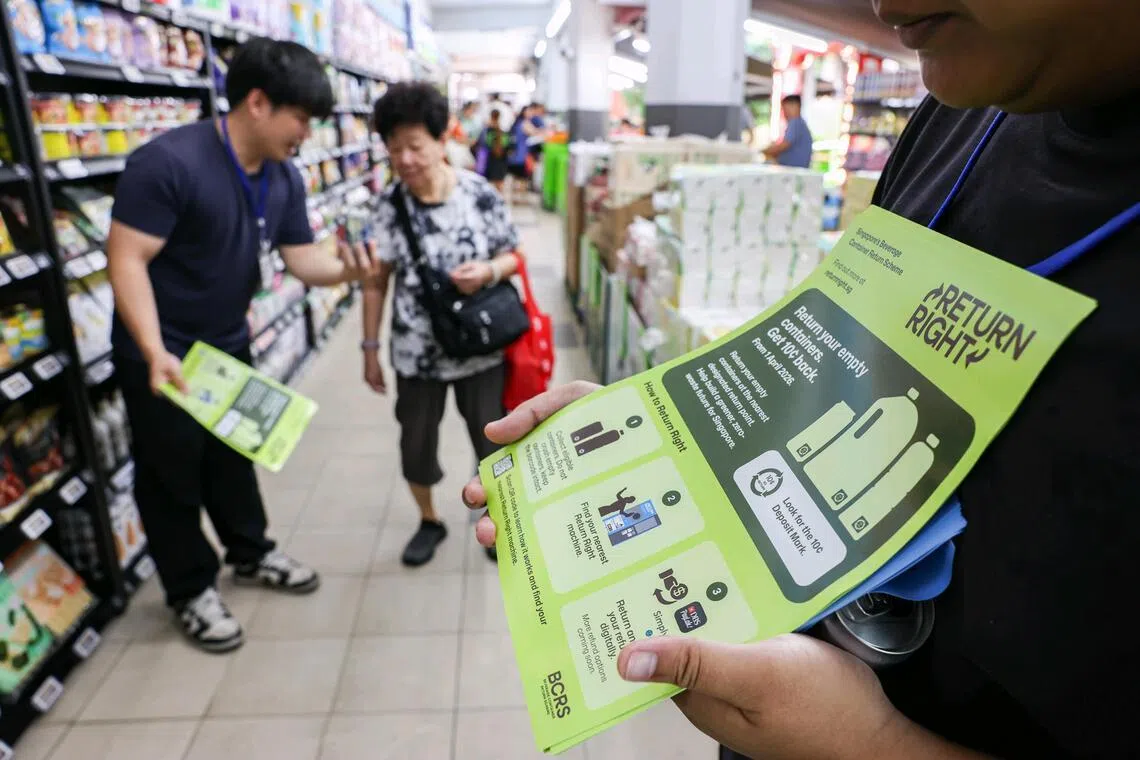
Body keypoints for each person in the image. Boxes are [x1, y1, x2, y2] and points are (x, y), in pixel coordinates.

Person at [463, 0, 1140, 756]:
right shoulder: (963, 109)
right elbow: (846, 384)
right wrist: (657, 439)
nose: (884, 6)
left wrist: (872, 746)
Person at [107, 38, 378, 653]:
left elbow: (302, 259)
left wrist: (351, 270)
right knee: (170, 473)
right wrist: (153, 348)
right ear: (258, 103)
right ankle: (190, 589)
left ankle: (251, 552)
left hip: (226, 344)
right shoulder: (168, 163)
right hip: (164, 351)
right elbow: (126, 259)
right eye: (301, 118)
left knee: (233, 457)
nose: (307, 133)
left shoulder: (282, 175)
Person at [362, 82, 520, 568]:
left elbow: (513, 255)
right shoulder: (389, 206)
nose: (405, 159)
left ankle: (496, 521)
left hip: (479, 348)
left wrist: (488, 271)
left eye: (415, 146)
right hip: (417, 353)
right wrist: (369, 348)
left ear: (441, 139)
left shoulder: (478, 193)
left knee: (492, 441)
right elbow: (375, 283)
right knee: (415, 443)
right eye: (394, 149)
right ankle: (429, 520)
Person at [762, 94, 813, 168]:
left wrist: (763, 151)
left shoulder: (796, 123)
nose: (785, 113)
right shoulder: (800, 123)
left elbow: (783, 146)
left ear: (796, 106)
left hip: (792, 169)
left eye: (786, 109)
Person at [477, 109, 512, 193]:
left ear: (490, 116)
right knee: (499, 185)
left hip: (490, 161)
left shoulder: (486, 131)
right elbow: (508, 147)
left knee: (489, 185)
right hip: (501, 161)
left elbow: (482, 144)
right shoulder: (504, 131)